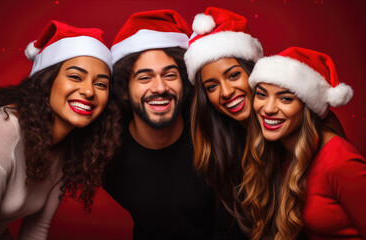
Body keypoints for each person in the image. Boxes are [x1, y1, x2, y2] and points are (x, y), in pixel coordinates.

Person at [0, 21, 121, 239]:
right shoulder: (1, 132)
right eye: (75, 77)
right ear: (47, 82)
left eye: (101, 84)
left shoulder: (70, 149)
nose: (88, 91)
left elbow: (36, 230)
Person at [103, 10, 244, 239]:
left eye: (170, 75)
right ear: (124, 90)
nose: (159, 87)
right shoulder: (104, 150)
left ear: (184, 83)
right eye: (145, 77)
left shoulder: (216, 133)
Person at [241, 46, 366, 239]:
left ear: (307, 107)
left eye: (285, 99)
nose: (268, 108)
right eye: (262, 94)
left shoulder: (340, 161)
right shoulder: (280, 150)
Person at [183, 7, 263, 231]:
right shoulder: (224, 147)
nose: (226, 92)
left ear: (253, 71)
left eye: (234, 75)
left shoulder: (293, 125)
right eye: (212, 86)